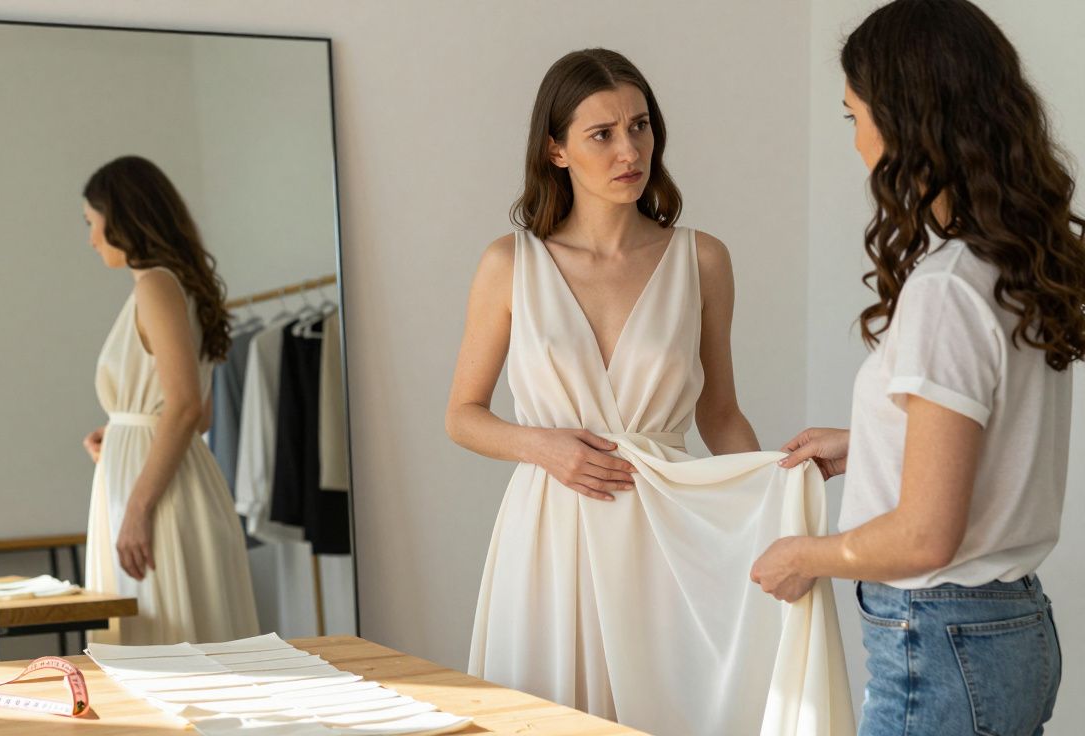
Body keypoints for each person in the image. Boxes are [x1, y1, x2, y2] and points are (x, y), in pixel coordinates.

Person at [751, 2, 1085, 733]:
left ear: (905, 122)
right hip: (1010, 630)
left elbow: (925, 536)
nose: (857, 142)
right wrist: (870, 441)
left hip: (941, 643)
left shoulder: (949, 287)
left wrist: (806, 555)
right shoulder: (1017, 262)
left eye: (853, 117)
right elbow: (993, 436)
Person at [445, 48, 759, 723]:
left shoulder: (701, 260)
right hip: (549, 530)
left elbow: (722, 414)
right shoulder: (510, 265)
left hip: (666, 527)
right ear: (556, 150)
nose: (630, 149)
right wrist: (542, 447)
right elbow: (463, 416)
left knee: (669, 708)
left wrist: (768, 513)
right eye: (603, 134)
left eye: (640, 126)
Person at [80, 155, 259, 644]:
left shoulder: (156, 285)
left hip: (156, 498)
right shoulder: (173, 286)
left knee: (160, 649)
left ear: (121, 219)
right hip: (165, 480)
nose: (91, 238)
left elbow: (183, 408)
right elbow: (196, 414)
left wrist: (137, 509)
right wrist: (119, 431)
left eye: (92, 223)